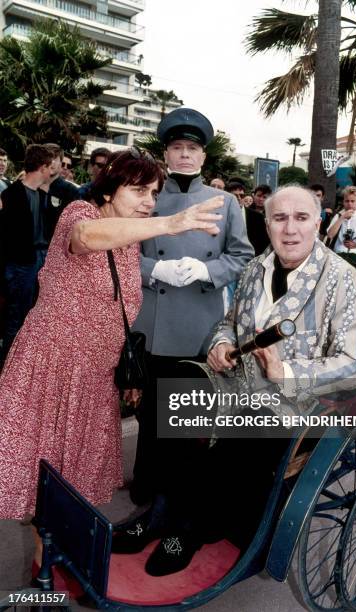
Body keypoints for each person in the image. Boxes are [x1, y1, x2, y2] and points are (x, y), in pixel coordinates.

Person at [113, 185, 356, 577]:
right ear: (265, 224)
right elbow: (228, 323)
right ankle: (160, 512)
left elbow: (354, 364)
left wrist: (285, 372)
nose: (290, 229)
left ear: (318, 223)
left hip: (302, 406)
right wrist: (219, 343)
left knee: (244, 426)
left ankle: (191, 528)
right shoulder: (255, 269)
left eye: (301, 218)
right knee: (175, 392)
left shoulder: (342, 279)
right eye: (279, 218)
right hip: (238, 383)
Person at [0, 148, 223, 541]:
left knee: (68, 491)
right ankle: (46, 577)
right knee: (42, 485)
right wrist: (171, 223)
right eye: (139, 191)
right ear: (108, 192)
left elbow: (116, 307)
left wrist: (125, 366)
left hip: (94, 378)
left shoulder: (128, 241)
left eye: (154, 193)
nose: (149, 202)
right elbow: (86, 239)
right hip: (53, 371)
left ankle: (52, 570)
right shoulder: (81, 213)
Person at [128, 108, 254, 506]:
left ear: (203, 157)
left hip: (200, 321)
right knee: (149, 411)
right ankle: (146, 479)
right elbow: (124, 253)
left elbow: (242, 257)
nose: (185, 154)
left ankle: (178, 490)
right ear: (166, 153)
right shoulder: (147, 197)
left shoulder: (225, 202)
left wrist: (206, 268)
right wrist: (156, 268)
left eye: (192, 148)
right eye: (177, 147)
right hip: (153, 319)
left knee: (186, 411)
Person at [0, 144, 56, 360]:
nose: (52, 172)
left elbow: (51, 227)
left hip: (40, 261)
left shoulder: (42, 195)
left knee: (34, 316)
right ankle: (9, 366)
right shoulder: (12, 195)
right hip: (21, 265)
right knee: (17, 318)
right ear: (43, 167)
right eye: (50, 167)